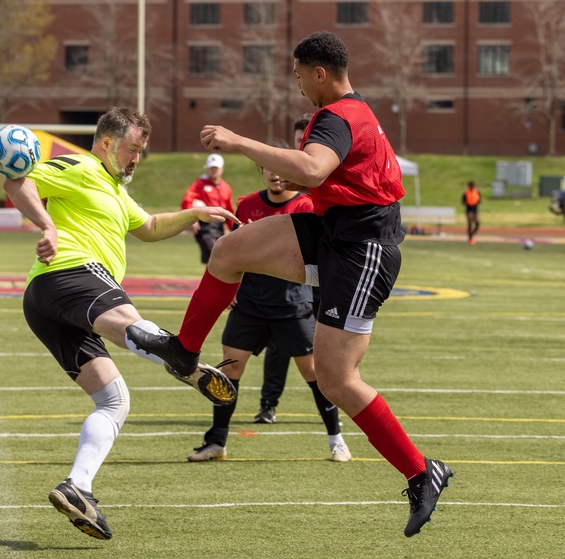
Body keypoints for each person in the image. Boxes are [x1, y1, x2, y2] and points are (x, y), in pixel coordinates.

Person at [126, 31, 453, 538]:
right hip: (334, 231)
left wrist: (238, 142)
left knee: (337, 379)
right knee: (229, 251)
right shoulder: (346, 114)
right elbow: (329, 178)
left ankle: (420, 471)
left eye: (300, 74)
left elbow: (314, 167)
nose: (298, 84)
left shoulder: (340, 116)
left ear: (319, 73)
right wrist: (302, 179)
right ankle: (185, 351)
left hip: (362, 249)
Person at [2, 106, 239, 541]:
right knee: (133, 322)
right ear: (108, 143)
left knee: (114, 400)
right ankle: (178, 357)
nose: (136, 159)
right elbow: (18, 182)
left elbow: (147, 226)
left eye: (141, 152)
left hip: (49, 304)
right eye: (132, 149)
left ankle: (78, 487)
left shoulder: (113, 188)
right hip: (70, 275)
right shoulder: (81, 165)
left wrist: (196, 213)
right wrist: (48, 225)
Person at [187, 151, 351, 464]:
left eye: (280, 169)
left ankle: (336, 439)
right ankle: (217, 441)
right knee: (230, 368)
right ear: (262, 171)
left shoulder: (305, 205)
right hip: (249, 303)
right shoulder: (247, 204)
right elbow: (233, 252)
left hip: (291, 303)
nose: (275, 175)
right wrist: (229, 287)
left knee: (315, 373)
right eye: (269, 169)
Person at [254, 114, 316, 424]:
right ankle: (268, 404)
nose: (302, 146)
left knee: (327, 350)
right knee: (279, 347)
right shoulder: (290, 179)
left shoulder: (323, 174)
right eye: (297, 141)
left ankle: (332, 409)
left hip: (329, 275)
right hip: (290, 288)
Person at [180, 153, 235, 263]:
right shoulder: (199, 183)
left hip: (219, 226)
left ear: (222, 169)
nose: (213, 170)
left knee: (216, 258)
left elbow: (229, 209)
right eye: (211, 168)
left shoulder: (225, 187)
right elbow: (187, 200)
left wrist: (233, 228)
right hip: (204, 226)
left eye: (216, 167)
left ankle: (215, 280)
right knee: (214, 254)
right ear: (207, 168)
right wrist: (191, 220)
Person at [461, 180, 481, 245]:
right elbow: (463, 201)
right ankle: (470, 237)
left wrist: (478, 201)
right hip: (469, 208)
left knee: (477, 222)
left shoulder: (477, 192)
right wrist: (466, 203)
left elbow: (479, 200)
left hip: (475, 208)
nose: (472, 187)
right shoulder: (466, 192)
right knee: (470, 222)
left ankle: (473, 233)